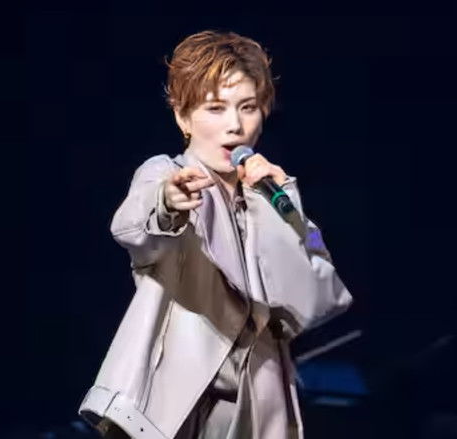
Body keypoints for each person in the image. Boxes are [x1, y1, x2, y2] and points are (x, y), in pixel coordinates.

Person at [78, 30, 353, 439]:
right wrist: (168, 202)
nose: (235, 126)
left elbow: (320, 291)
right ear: (183, 117)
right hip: (179, 404)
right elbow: (133, 225)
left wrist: (284, 210)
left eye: (248, 107)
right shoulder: (167, 174)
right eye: (215, 108)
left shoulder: (273, 195)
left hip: (259, 405)